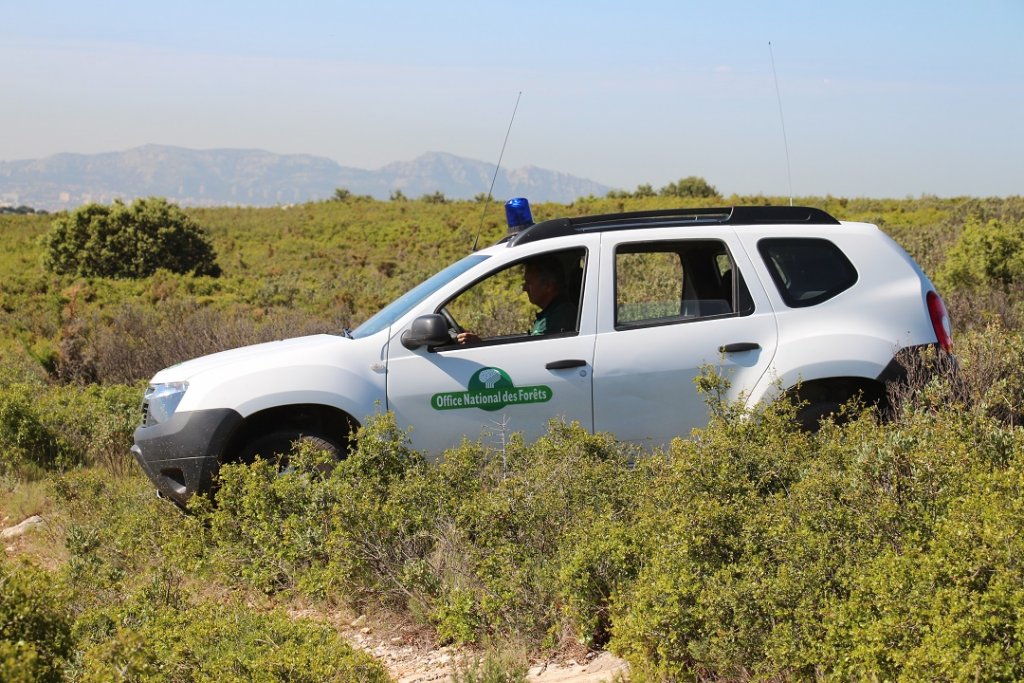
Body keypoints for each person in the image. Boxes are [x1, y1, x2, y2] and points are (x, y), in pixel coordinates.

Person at [456, 256, 577, 344]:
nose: (524, 288)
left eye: (529, 283)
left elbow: (531, 353)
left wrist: (481, 346)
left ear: (548, 286)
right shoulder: (553, 312)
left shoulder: (559, 316)